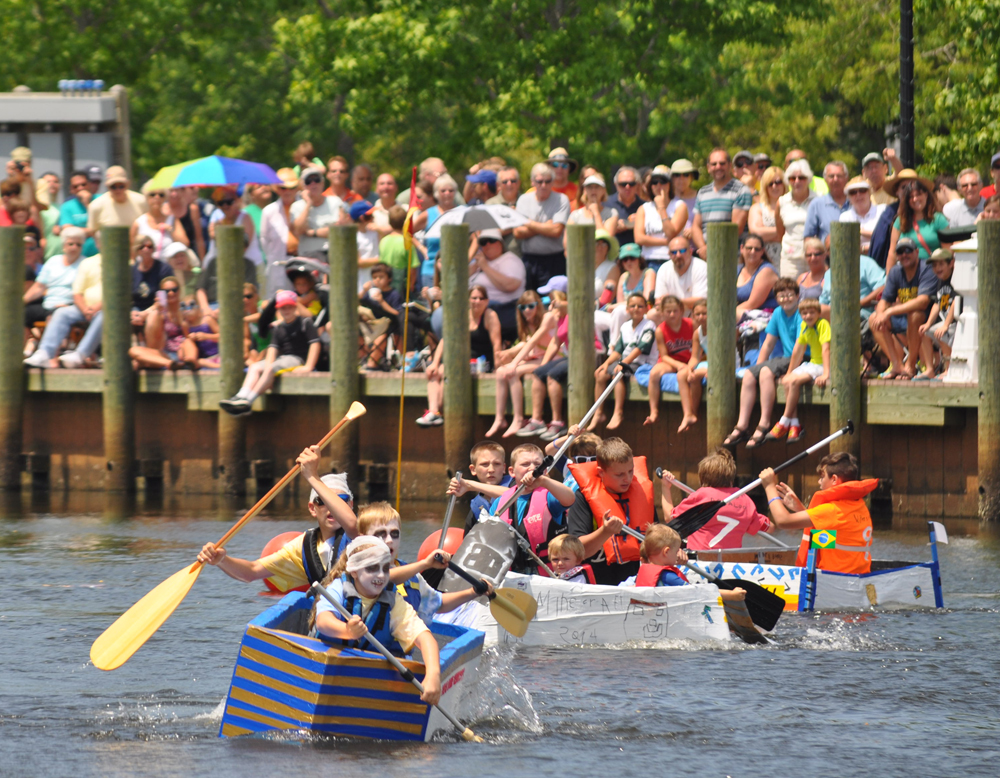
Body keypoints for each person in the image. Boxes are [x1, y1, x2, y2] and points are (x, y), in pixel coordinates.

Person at [197, 448, 359, 589]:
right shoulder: (303, 546)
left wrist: (312, 476)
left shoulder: (368, 530)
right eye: (322, 501)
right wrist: (221, 560)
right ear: (312, 508)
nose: (331, 507)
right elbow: (251, 572)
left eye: (340, 500)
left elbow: (352, 525)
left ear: (350, 505)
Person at [312, 536, 443, 704]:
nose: (380, 575)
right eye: (372, 568)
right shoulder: (338, 588)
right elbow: (323, 622)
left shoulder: (394, 602)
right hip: (327, 668)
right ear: (354, 571)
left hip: (369, 679)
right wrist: (348, 631)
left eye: (385, 568)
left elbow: (426, 639)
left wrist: (433, 675)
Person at [760, 452, 877, 575]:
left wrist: (769, 487)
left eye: (822, 477)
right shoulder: (859, 506)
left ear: (834, 479)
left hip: (836, 583)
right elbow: (828, 538)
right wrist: (801, 510)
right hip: (856, 579)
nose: (819, 481)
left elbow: (783, 521)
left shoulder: (832, 510)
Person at [566, 437, 656, 585]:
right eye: (619, 474)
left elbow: (656, 535)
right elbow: (577, 551)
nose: (627, 478)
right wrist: (605, 532)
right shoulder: (582, 499)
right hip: (597, 583)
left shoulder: (642, 493)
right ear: (601, 472)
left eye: (630, 471)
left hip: (634, 580)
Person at [726, 278, 801, 448]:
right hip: (786, 358)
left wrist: (789, 370)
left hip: (801, 357)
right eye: (782, 296)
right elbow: (768, 343)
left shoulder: (800, 314)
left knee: (766, 372)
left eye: (790, 295)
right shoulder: (777, 314)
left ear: (797, 296)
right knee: (749, 374)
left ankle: (764, 423)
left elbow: (799, 346)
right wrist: (756, 369)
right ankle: (742, 425)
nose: (786, 299)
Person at [219, 289, 321, 414]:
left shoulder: (305, 322)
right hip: (283, 358)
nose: (286, 310)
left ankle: (248, 401)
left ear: (295, 307)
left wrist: (308, 366)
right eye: (283, 308)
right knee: (255, 367)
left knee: (271, 368)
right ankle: (241, 396)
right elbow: (273, 348)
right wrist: (267, 371)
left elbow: (315, 344)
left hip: (298, 358)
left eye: (289, 307)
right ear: (279, 310)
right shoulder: (278, 327)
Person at [482, 443, 576, 574]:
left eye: (537, 465)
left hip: (545, 573)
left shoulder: (549, 496)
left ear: (544, 470)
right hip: (511, 572)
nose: (532, 468)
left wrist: (543, 481)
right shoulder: (501, 502)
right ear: (511, 472)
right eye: (525, 464)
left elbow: (570, 498)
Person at [416, 286, 502, 427]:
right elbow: (446, 340)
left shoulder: (490, 316)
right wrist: (435, 363)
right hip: (461, 362)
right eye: (474, 298)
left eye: (481, 298)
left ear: (487, 301)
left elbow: (497, 344)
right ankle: (433, 412)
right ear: (468, 300)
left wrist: (497, 367)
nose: (477, 301)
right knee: (435, 372)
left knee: (446, 372)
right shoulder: (463, 316)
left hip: (481, 362)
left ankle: (437, 412)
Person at [668, 449, 771, 550]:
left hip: (701, 560)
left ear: (702, 477)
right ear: (731, 478)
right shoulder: (744, 499)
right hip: (732, 562)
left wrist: (665, 487)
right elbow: (768, 527)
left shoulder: (701, 495)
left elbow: (670, 517)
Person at [869, 237, 938, 380]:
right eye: (900, 252)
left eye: (908, 250)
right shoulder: (895, 271)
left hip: (927, 319)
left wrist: (889, 311)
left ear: (917, 252)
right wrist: (881, 313)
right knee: (873, 318)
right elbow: (884, 300)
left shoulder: (927, 269)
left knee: (915, 314)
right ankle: (896, 365)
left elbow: (923, 302)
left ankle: (910, 366)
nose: (904, 255)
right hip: (902, 318)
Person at [590, 293, 657, 431]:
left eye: (640, 306)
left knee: (618, 374)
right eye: (632, 306)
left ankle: (618, 412)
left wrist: (623, 363)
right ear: (627, 309)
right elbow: (618, 350)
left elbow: (640, 349)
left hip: (642, 363)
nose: (636, 308)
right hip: (626, 361)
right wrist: (606, 364)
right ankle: (598, 412)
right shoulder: (625, 326)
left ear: (646, 309)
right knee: (600, 374)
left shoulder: (649, 325)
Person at [767, 297, 830, 444]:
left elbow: (826, 349)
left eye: (811, 313)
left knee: (795, 381)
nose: (808, 316)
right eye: (805, 313)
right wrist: (789, 372)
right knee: (788, 380)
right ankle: (794, 425)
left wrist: (826, 373)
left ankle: (783, 422)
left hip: (824, 365)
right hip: (813, 363)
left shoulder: (823, 324)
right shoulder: (804, 326)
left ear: (818, 313)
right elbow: (798, 350)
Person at [22, 227, 86, 367]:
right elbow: (39, 287)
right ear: (63, 245)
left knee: (57, 314)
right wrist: (22, 301)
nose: (74, 247)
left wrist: (69, 305)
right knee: (21, 313)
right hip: (48, 303)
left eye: (78, 244)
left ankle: (50, 357)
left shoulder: (85, 264)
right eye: (71, 244)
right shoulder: (53, 261)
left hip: (69, 305)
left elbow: (84, 292)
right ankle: (19, 352)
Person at [487, 290, 547, 437]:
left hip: (548, 360)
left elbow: (531, 344)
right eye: (522, 307)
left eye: (531, 306)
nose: (527, 310)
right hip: (535, 359)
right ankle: (499, 418)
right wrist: (508, 354)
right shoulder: (526, 324)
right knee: (501, 371)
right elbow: (525, 344)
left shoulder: (545, 320)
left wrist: (513, 359)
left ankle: (518, 418)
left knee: (513, 371)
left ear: (538, 306)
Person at [510, 289, 568, 439]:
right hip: (563, 357)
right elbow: (555, 343)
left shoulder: (569, 316)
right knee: (539, 373)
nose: (550, 307)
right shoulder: (557, 317)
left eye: (552, 302)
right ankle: (537, 420)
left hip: (579, 358)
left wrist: (515, 363)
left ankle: (557, 422)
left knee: (552, 375)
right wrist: (544, 364)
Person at [514, 163, 570, 289]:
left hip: (554, 260)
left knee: (553, 299)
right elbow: (517, 232)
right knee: (529, 300)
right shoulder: (523, 200)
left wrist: (528, 223)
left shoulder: (561, 199)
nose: (543, 185)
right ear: (532, 182)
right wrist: (545, 226)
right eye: (539, 181)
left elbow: (556, 230)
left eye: (547, 181)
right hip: (529, 260)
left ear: (553, 182)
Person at [691, 149, 752, 259]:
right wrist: (704, 249)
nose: (718, 167)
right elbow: (695, 226)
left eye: (722, 163)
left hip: (732, 256)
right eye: (714, 164)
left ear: (729, 166)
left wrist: (711, 248)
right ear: (708, 168)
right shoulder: (702, 192)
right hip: (707, 256)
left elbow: (736, 228)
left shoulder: (741, 190)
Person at [127, 277, 199, 370]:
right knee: (134, 350)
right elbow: (143, 314)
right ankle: (170, 364)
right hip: (165, 353)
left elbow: (193, 331)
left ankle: (191, 361)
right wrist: (156, 309)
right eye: (166, 291)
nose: (171, 293)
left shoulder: (185, 307)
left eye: (174, 290)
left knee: (187, 341)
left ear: (179, 290)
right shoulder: (159, 308)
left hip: (184, 351)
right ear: (161, 293)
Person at [642, 295, 693, 426]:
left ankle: (689, 414)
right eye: (668, 311)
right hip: (671, 361)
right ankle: (654, 412)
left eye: (675, 311)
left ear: (681, 311)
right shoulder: (660, 330)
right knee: (653, 373)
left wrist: (688, 365)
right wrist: (678, 365)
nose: (672, 314)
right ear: (662, 312)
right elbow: (664, 355)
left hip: (690, 360)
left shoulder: (691, 324)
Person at [468, 227, 526, 341]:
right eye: (483, 242)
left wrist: (485, 267)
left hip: (503, 308)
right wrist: (475, 266)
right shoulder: (480, 261)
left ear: (500, 243)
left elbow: (510, 285)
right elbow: (460, 280)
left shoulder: (510, 260)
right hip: (474, 306)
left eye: (491, 240)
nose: (487, 245)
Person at [885, 175, 951, 272]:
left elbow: (947, 251)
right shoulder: (900, 221)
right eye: (911, 197)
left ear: (926, 195)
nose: (915, 199)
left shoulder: (938, 219)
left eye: (918, 194)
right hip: (907, 271)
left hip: (932, 270)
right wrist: (888, 278)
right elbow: (892, 252)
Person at [633, 165, 687, 271]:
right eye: (654, 182)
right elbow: (639, 238)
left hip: (671, 260)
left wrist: (662, 208)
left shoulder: (679, 206)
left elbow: (671, 233)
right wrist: (665, 242)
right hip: (648, 261)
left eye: (663, 181)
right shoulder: (644, 208)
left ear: (669, 185)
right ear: (650, 186)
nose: (658, 185)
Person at [451, 440, 514, 530]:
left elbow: (514, 495)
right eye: (485, 464)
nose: (491, 469)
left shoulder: (516, 484)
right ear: (473, 469)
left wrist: (470, 485)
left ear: (504, 468)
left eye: (497, 464)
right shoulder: (476, 507)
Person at [917, 248, 960, 379]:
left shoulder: (956, 278)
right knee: (924, 331)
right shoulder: (940, 280)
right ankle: (930, 369)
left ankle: (948, 369)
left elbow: (955, 302)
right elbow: (937, 303)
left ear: (951, 263)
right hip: (945, 322)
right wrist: (928, 323)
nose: (937, 268)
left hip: (956, 323)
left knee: (941, 333)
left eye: (941, 264)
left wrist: (945, 325)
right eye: (934, 265)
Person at [292, 166, 346, 261]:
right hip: (308, 257)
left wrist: (311, 232)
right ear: (303, 185)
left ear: (322, 183)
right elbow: (298, 230)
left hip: (334, 255)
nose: (313, 184)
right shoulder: (297, 206)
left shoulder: (335, 202)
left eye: (316, 180)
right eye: (308, 181)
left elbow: (339, 230)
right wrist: (308, 204)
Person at [260, 168, 300, 294]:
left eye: (291, 187)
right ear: (277, 189)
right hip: (278, 264)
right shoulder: (269, 211)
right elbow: (264, 241)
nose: (287, 191)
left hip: (302, 262)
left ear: (297, 188)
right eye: (283, 188)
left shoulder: (305, 206)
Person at [777, 159, 818, 277]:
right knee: (788, 291)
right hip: (790, 259)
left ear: (808, 179)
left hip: (814, 257)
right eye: (792, 178)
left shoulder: (818, 200)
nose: (797, 181)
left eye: (801, 178)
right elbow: (780, 232)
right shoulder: (782, 202)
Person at [818, 251, 886, 322]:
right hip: (832, 314)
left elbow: (883, 287)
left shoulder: (865, 263)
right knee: (815, 311)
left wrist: (858, 304)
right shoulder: (828, 273)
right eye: (830, 248)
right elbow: (823, 302)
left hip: (859, 314)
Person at [86, 166, 147, 244]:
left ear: (128, 184)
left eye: (121, 186)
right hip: (111, 250)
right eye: (113, 187)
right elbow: (93, 231)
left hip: (137, 249)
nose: (118, 190)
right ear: (107, 186)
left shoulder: (141, 201)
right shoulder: (96, 206)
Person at [359, 262, 403, 370]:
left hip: (387, 327)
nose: (377, 280)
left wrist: (382, 301)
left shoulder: (394, 294)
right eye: (374, 277)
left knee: (382, 337)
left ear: (389, 279)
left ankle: (371, 364)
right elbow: (357, 302)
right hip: (371, 325)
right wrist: (364, 290)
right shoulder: (370, 293)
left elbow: (397, 313)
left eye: (381, 277)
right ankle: (363, 359)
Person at [205, 186, 262, 267]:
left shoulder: (245, 218)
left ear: (237, 201)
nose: (225, 206)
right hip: (229, 270)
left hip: (252, 268)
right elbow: (214, 250)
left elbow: (243, 247)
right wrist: (214, 236)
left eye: (229, 202)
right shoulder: (218, 223)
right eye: (220, 203)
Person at [676, 299, 709, 433]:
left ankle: (694, 412)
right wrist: (689, 369)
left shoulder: (718, 328)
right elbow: (694, 357)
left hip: (724, 363)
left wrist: (695, 372)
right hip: (708, 362)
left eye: (704, 313)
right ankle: (688, 414)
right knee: (682, 375)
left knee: (696, 376)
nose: (701, 317)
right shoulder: (697, 333)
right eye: (697, 314)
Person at [653, 235, 707, 315]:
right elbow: (659, 302)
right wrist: (685, 303)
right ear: (669, 254)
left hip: (695, 314)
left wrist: (671, 302)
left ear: (690, 251)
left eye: (682, 251)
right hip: (671, 314)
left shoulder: (701, 267)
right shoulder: (664, 268)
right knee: (653, 314)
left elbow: (701, 302)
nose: (678, 255)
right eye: (674, 252)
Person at [131, 183, 187, 259]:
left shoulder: (172, 220)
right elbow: (133, 252)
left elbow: (184, 243)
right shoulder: (138, 223)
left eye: (161, 195)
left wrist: (169, 229)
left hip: (167, 268)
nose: (157, 197)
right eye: (152, 194)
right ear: (146, 197)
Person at [803, 161, 850, 246]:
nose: (835, 179)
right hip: (827, 257)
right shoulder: (817, 204)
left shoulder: (856, 202)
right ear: (825, 179)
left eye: (839, 176)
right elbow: (808, 237)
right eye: (831, 176)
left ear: (846, 178)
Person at [379, 205, 419, 298]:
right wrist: (411, 284)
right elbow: (413, 268)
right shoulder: (407, 243)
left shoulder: (383, 240)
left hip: (385, 284)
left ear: (389, 222)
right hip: (401, 286)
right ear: (406, 222)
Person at [749, 165, 786, 265]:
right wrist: (784, 230)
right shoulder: (757, 208)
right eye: (770, 183)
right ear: (765, 186)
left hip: (789, 260)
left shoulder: (792, 207)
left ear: (784, 184)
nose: (774, 186)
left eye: (778, 182)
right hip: (764, 263)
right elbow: (756, 234)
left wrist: (767, 233)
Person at [735, 233, 778, 318]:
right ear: (742, 249)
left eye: (757, 249)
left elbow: (752, 304)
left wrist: (726, 312)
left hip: (765, 314)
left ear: (762, 251)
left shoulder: (766, 271)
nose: (753, 252)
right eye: (749, 248)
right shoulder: (737, 269)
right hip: (744, 313)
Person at [839, 177, 886, 254]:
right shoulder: (844, 217)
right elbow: (846, 245)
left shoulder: (883, 210)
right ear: (848, 197)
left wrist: (859, 231)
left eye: (862, 190)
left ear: (870, 193)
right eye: (853, 192)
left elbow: (887, 237)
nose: (858, 195)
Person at [58, 171, 99, 257]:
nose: (80, 188)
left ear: (90, 184)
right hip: (77, 256)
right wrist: (93, 230)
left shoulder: (101, 200)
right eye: (75, 186)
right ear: (71, 189)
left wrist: (87, 204)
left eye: (83, 184)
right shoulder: (67, 206)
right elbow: (68, 231)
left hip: (100, 253)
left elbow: (104, 226)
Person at [168, 186, 207, 261]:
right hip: (170, 257)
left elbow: (199, 238)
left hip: (190, 256)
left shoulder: (192, 209)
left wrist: (203, 260)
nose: (174, 194)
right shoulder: (164, 210)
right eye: (171, 191)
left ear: (183, 191)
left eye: (177, 190)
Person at [606, 166, 642, 245]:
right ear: (616, 185)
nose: (627, 187)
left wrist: (642, 221)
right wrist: (613, 226)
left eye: (631, 184)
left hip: (638, 254)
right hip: (613, 253)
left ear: (637, 185)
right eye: (623, 184)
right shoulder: (606, 203)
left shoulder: (645, 207)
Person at [669, 159, 699, 234]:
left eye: (686, 174)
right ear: (672, 178)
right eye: (677, 175)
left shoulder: (701, 197)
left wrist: (695, 230)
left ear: (692, 177)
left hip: (695, 243)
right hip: (671, 243)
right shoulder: (667, 198)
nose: (681, 179)